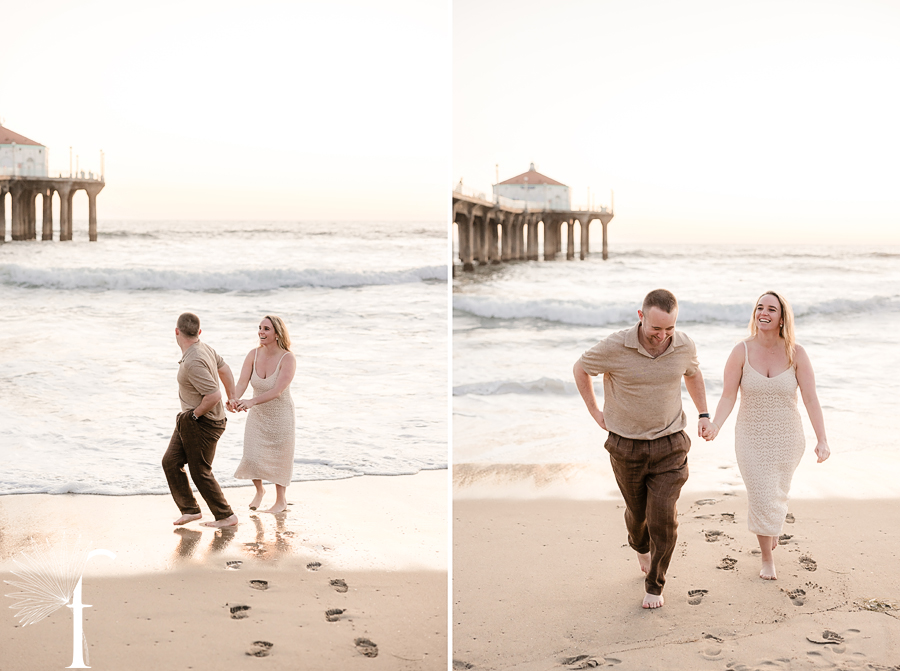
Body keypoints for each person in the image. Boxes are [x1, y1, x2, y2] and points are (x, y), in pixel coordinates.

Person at [573, 289, 712, 609]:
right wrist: (596, 412)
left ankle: (655, 584)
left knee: (663, 517)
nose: (662, 336)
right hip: (626, 446)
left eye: (669, 329)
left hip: (670, 444)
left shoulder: (683, 345)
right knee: (638, 517)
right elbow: (580, 369)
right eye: (656, 329)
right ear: (641, 316)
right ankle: (639, 545)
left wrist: (704, 415)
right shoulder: (614, 346)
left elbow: (693, 373)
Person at [705, 291, 830, 580]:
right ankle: (767, 558)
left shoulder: (796, 353)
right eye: (760, 307)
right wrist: (715, 424)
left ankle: (771, 526)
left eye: (771, 309)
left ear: (781, 318)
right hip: (750, 437)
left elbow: (811, 399)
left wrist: (822, 439)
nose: (764, 312)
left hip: (788, 437)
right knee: (761, 495)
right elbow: (727, 396)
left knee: (776, 494)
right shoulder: (741, 351)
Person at [162, 312, 239, 528]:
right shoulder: (203, 347)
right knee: (170, 462)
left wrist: (194, 415)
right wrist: (232, 395)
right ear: (199, 332)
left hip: (203, 421)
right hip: (190, 419)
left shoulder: (194, 360)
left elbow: (213, 395)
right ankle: (190, 510)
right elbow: (224, 368)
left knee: (200, 471)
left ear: (176, 331)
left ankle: (226, 516)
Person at [231, 315, 297, 514]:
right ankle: (259, 491)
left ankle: (281, 501)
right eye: (260, 327)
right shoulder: (253, 354)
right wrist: (234, 398)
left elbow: (277, 390)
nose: (261, 332)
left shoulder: (288, 358)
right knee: (251, 456)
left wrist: (250, 402)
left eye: (266, 329)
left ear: (277, 333)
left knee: (280, 459)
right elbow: (242, 382)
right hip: (258, 416)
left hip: (281, 416)